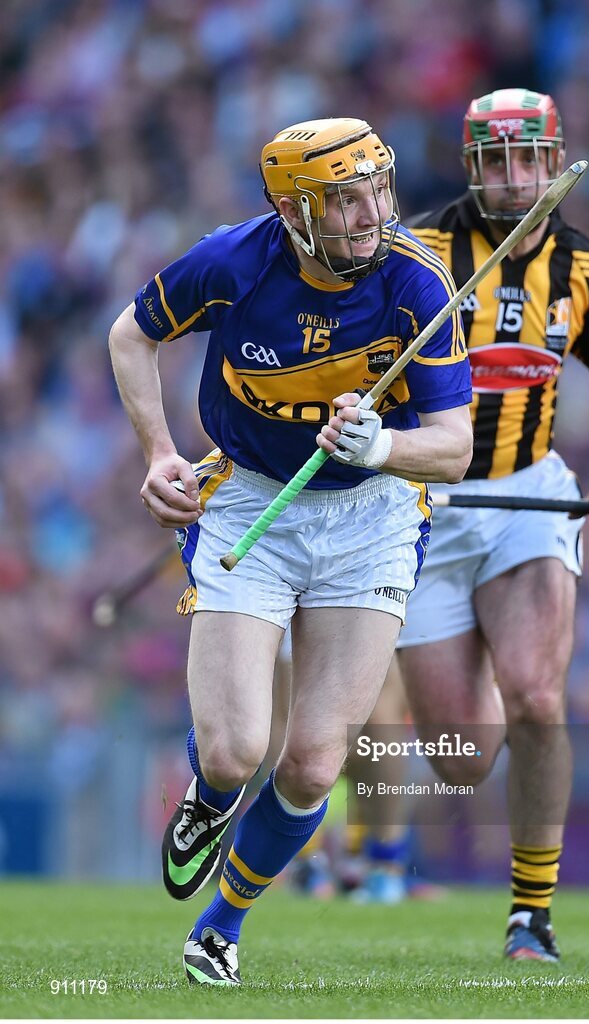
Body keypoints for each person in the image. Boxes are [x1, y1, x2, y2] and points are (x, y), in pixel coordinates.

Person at [108, 116, 473, 986]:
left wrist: (379, 446)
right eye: (344, 200)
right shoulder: (231, 262)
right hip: (246, 503)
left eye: (376, 190)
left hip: (373, 516)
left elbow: (454, 446)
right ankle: (209, 798)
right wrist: (160, 453)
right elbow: (131, 336)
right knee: (235, 753)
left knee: (312, 763)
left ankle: (221, 928)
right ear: (294, 213)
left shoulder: (419, 281)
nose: (369, 214)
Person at [395, 89, 589, 961]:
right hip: (425, 510)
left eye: (527, 160)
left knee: (537, 697)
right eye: (493, 161)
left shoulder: (586, 273)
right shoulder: (417, 254)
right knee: (463, 759)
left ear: (553, 164)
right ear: (470, 165)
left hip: (527, 500)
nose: (512, 180)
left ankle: (531, 918)